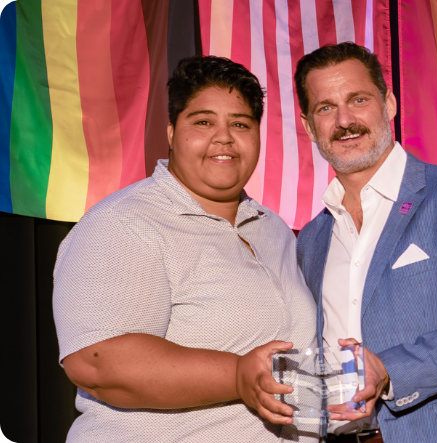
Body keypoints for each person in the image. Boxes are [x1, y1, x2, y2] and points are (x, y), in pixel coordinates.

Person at [53, 55, 318, 442]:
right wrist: (237, 374)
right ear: (172, 132)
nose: (224, 137)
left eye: (240, 124)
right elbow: (97, 364)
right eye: (203, 122)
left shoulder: (273, 229)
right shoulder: (122, 223)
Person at [293, 42, 437, 442]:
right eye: (325, 108)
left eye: (359, 100)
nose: (345, 120)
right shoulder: (311, 238)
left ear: (389, 104)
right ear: (309, 126)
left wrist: (388, 370)